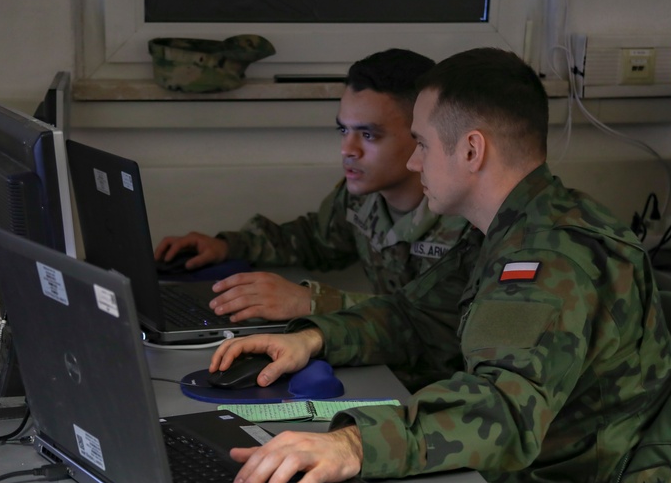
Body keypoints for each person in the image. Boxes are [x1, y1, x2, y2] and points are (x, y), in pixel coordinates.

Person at [209, 47, 671, 483]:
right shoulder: (509, 231)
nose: (413, 163)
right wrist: (311, 337)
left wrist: (352, 446)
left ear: (473, 150)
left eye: (424, 144)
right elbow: (416, 318)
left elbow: (502, 411)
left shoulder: (549, 260)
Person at [154, 48, 476, 325]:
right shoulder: (360, 198)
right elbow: (317, 239)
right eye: (343, 130)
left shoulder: (472, 220)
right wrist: (230, 246)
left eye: (368, 135)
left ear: (421, 135)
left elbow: (437, 326)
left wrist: (312, 301)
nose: (347, 149)